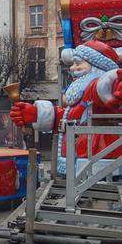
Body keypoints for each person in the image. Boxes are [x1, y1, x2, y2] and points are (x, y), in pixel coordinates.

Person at [10, 40, 122, 174]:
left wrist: (114, 83)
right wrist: (38, 113)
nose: (72, 68)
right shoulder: (81, 93)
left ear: (97, 67)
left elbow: (104, 86)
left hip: (97, 156)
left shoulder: (95, 86)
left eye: (78, 64)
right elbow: (71, 115)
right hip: (80, 159)